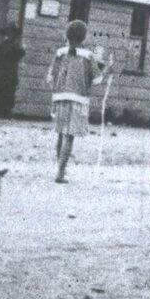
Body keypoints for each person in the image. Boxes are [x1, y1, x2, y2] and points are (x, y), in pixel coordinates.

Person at [46, 19, 107, 183]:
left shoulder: (60, 53)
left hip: (59, 97)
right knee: (69, 136)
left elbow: (50, 76)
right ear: (84, 38)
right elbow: (97, 80)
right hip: (78, 98)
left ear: (66, 35)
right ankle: (61, 172)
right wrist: (103, 68)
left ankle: (60, 169)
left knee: (60, 133)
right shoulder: (88, 56)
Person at [0, 23, 25, 117]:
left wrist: (20, 51)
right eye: (9, 33)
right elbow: (4, 56)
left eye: (12, 33)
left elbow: (18, 55)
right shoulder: (6, 44)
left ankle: (4, 110)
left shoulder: (13, 44)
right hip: (3, 70)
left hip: (9, 70)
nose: (10, 35)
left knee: (8, 90)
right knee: (1, 88)